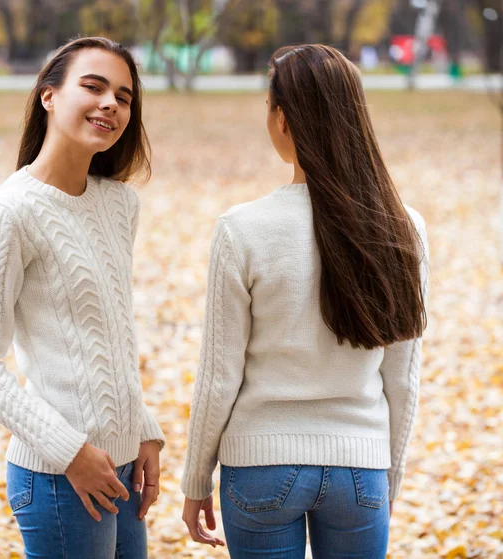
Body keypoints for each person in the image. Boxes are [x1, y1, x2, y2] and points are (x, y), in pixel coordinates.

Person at [181, 44, 429, 559]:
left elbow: (218, 374)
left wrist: (196, 478)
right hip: (360, 471)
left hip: (260, 466)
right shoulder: (402, 227)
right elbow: (402, 377)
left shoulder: (241, 229)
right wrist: (389, 472)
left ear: (283, 118)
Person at [0, 37, 165, 559]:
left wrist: (143, 430)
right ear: (48, 96)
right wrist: (71, 453)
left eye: (124, 94)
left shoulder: (120, 204)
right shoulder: (8, 212)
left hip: (122, 469)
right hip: (58, 478)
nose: (110, 104)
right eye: (92, 87)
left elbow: (112, 331)